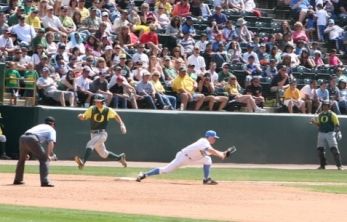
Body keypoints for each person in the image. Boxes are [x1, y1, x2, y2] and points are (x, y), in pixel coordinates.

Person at [136, 130, 228, 185]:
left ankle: (206, 179)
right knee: (166, 170)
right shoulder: (203, 141)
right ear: (209, 137)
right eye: (214, 137)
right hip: (183, 157)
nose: (215, 139)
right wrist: (220, 155)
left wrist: (223, 153)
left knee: (207, 159)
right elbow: (211, 150)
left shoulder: (206, 144)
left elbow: (211, 152)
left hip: (193, 159)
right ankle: (144, 175)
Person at [74, 94, 127, 169]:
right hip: (93, 134)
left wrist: (122, 124)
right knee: (103, 154)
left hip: (102, 134)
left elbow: (116, 116)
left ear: (103, 102)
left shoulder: (107, 110)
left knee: (90, 144)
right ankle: (119, 158)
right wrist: (81, 116)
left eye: (98, 101)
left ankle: (83, 162)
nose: (96, 103)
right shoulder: (92, 109)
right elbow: (84, 117)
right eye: (96, 101)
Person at [13, 116, 57, 187]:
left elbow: (28, 136)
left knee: (22, 159)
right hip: (32, 139)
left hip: (23, 137)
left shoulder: (40, 126)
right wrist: (47, 155)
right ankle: (45, 181)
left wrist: (26, 151)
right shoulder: (51, 129)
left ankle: (17, 179)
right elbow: (51, 142)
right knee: (44, 159)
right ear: (53, 124)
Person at [310, 100, 343, 170]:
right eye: (324, 105)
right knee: (320, 150)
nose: (325, 107)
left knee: (334, 150)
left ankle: (339, 165)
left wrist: (338, 131)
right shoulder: (320, 115)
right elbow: (319, 125)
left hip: (330, 133)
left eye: (326, 105)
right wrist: (314, 122)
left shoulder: (332, 114)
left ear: (329, 106)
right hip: (321, 133)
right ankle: (322, 165)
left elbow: (336, 124)